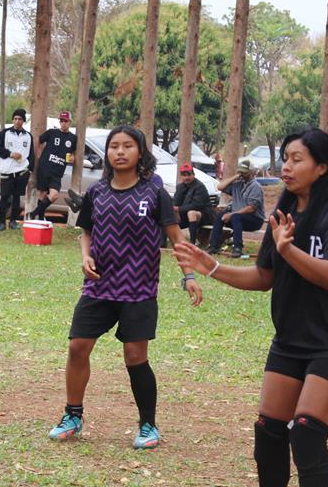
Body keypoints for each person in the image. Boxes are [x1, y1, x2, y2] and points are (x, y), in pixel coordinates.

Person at [174, 127, 328, 487]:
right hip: (292, 339)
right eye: (285, 157)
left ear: (322, 167)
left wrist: (288, 249)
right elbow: (264, 277)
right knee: (269, 429)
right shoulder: (283, 213)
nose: (287, 165)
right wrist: (209, 265)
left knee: (307, 431)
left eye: (298, 159)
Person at [47, 125, 202, 450]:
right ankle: (72, 415)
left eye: (127, 146)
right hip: (98, 287)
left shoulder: (154, 193)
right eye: (114, 146)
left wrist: (188, 275)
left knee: (134, 356)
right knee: (78, 347)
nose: (119, 151)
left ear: (140, 152)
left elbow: (177, 237)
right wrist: (86, 257)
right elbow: (85, 231)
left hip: (138, 290)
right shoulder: (97, 192)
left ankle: (148, 425)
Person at [208, 159, 265, 258]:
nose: (242, 174)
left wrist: (232, 214)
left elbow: (251, 208)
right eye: (240, 171)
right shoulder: (237, 184)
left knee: (235, 217)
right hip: (238, 218)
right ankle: (214, 246)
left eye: (244, 172)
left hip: (255, 220)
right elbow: (220, 187)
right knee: (220, 216)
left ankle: (237, 248)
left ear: (251, 172)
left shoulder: (255, 187)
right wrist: (235, 177)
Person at [29, 111, 77, 220]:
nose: (63, 123)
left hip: (58, 171)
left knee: (54, 195)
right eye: (61, 121)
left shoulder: (73, 138)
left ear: (70, 122)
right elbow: (38, 140)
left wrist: (73, 157)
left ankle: (34, 213)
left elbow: (73, 153)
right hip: (45, 168)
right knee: (43, 193)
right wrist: (39, 154)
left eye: (66, 121)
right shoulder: (51, 132)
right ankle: (40, 218)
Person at [0, 108, 34, 231]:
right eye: (15, 118)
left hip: (21, 171)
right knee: (4, 197)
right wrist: (11, 154)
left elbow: (31, 154)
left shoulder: (28, 136)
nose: (17, 121)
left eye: (20, 119)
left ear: (23, 121)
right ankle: (1, 222)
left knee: (17, 197)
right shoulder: (5, 133)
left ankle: (13, 221)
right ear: (12, 120)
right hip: (7, 171)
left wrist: (29, 169)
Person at [173, 163, 214, 245]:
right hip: (186, 214)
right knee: (167, 215)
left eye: (189, 175)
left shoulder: (200, 186)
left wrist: (178, 209)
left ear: (193, 175)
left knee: (191, 213)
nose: (186, 177)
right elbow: (176, 203)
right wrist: (175, 211)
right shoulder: (180, 187)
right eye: (184, 175)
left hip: (204, 215)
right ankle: (166, 242)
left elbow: (197, 205)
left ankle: (192, 242)